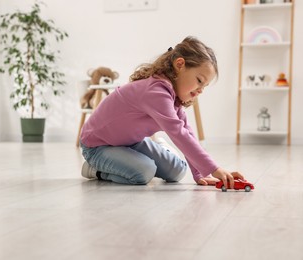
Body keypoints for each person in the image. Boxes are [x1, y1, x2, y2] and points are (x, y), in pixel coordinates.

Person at [79, 36, 244, 188]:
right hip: (97, 146)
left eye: (204, 86)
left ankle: (137, 158)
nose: (200, 90)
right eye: (199, 81)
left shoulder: (174, 99)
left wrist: (199, 173)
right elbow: (178, 133)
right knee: (144, 172)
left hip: (130, 143)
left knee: (177, 171)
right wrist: (215, 169)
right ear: (180, 65)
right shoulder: (156, 91)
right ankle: (94, 169)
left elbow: (187, 132)